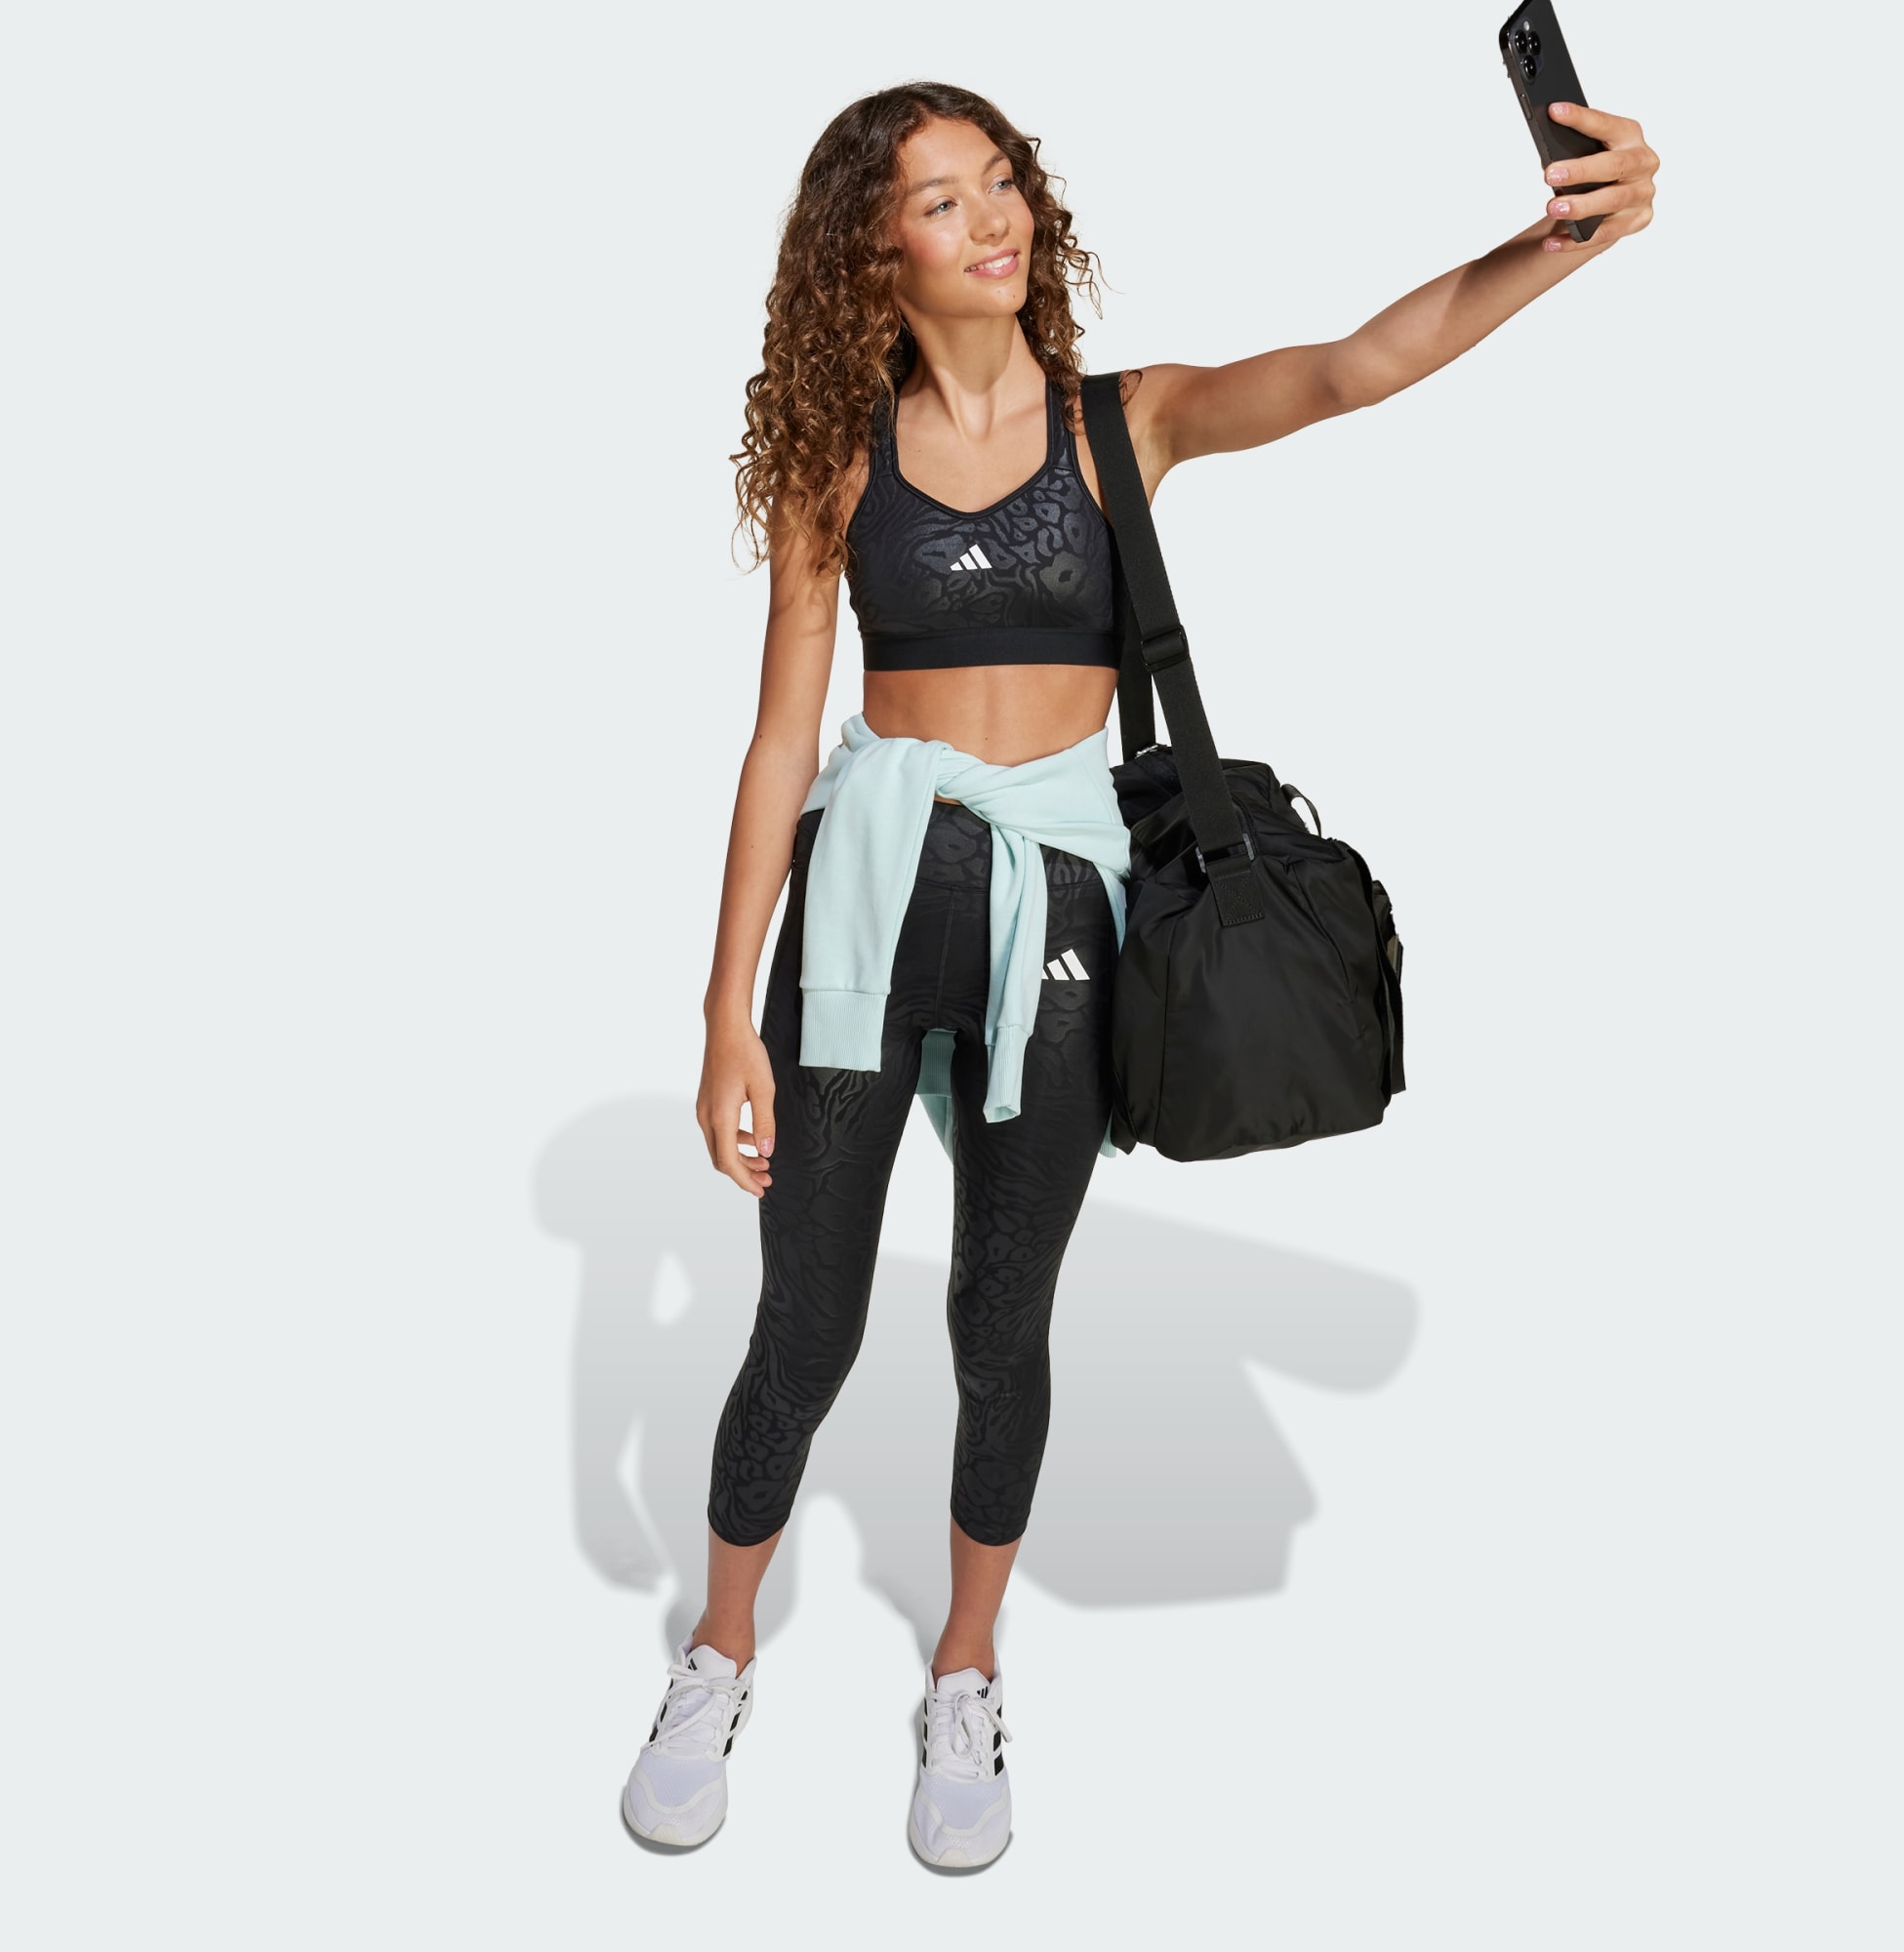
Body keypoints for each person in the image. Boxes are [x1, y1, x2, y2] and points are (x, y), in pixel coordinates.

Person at [620, 79, 1659, 1866]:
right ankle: (718, 1654)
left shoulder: (1127, 424)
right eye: (941, 201)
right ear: (872, 259)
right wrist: (724, 1009)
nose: (993, 219)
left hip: (1063, 918)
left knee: (1000, 1324)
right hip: (866, 906)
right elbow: (783, 740)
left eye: (1001, 181)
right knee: (807, 1326)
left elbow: (1359, 366)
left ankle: (964, 1671)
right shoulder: (838, 458)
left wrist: (1559, 241)